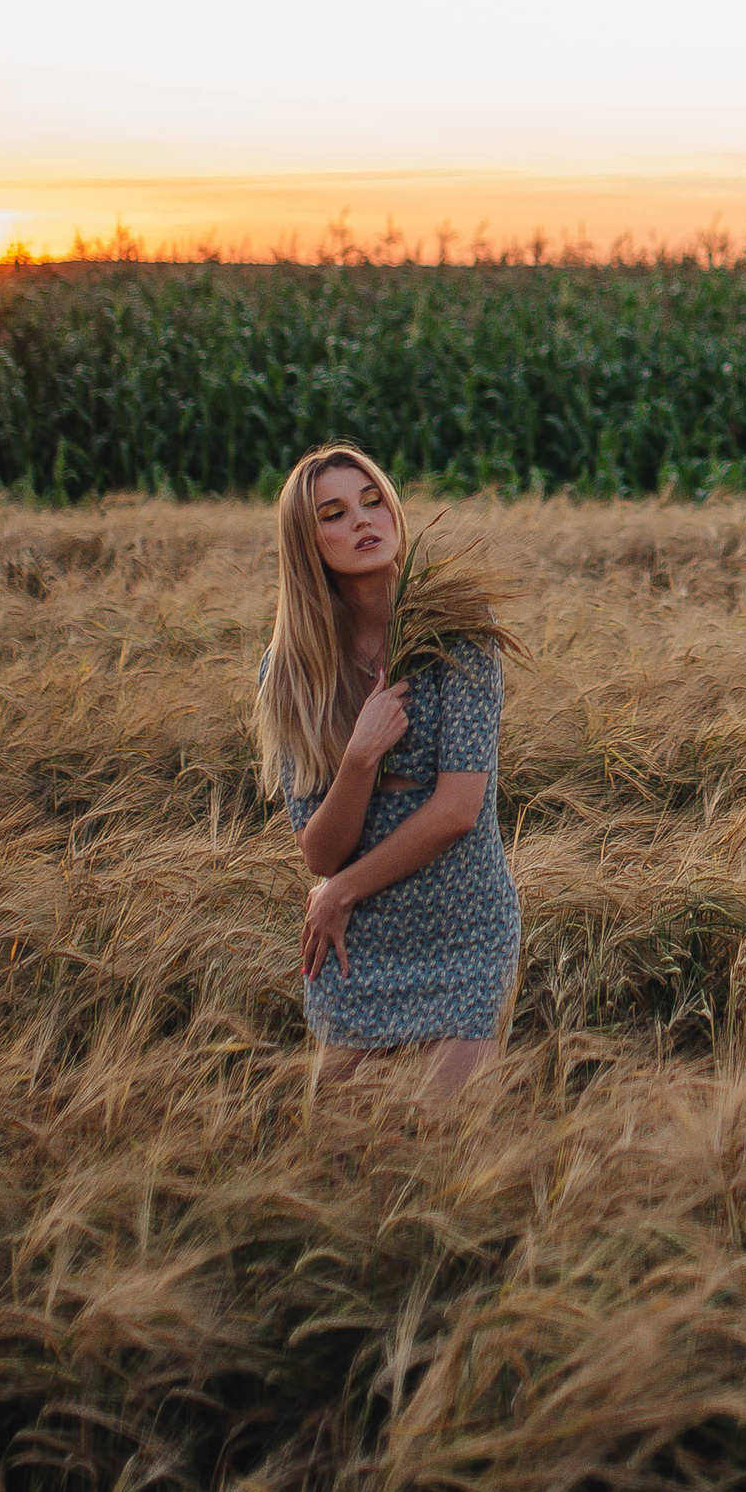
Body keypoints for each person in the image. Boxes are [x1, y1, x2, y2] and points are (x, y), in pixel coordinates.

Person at [253, 444, 518, 1108]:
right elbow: (318, 849)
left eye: (373, 500)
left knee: (450, 1148)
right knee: (346, 1166)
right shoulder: (294, 669)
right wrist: (360, 757)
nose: (364, 520)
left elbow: (459, 808)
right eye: (334, 514)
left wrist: (340, 891)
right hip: (357, 949)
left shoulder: (458, 634)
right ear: (306, 543)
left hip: (463, 934)